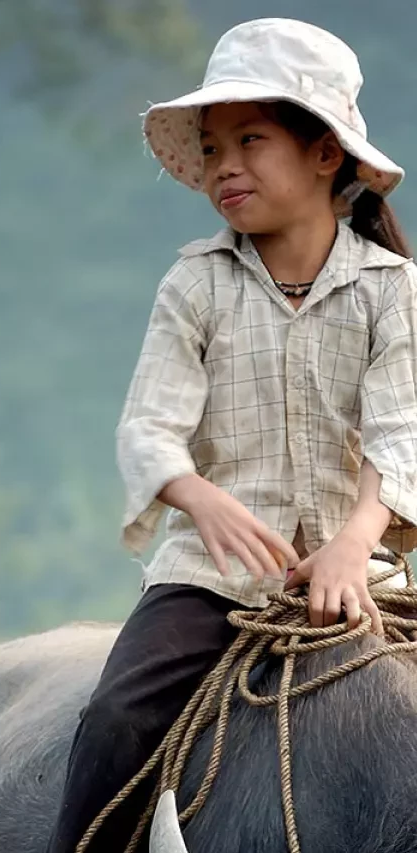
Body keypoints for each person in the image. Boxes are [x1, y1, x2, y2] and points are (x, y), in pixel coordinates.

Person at [46, 17, 417, 853]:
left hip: (359, 579)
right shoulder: (194, 283)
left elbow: (401, 434)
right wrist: (197, 495)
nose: (226, 167)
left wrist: (354, 545)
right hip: (209, 584)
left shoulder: (392, 290)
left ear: (326, 153)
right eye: (212, 149)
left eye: (250, 139)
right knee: (113, 716)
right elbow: (150, 429)